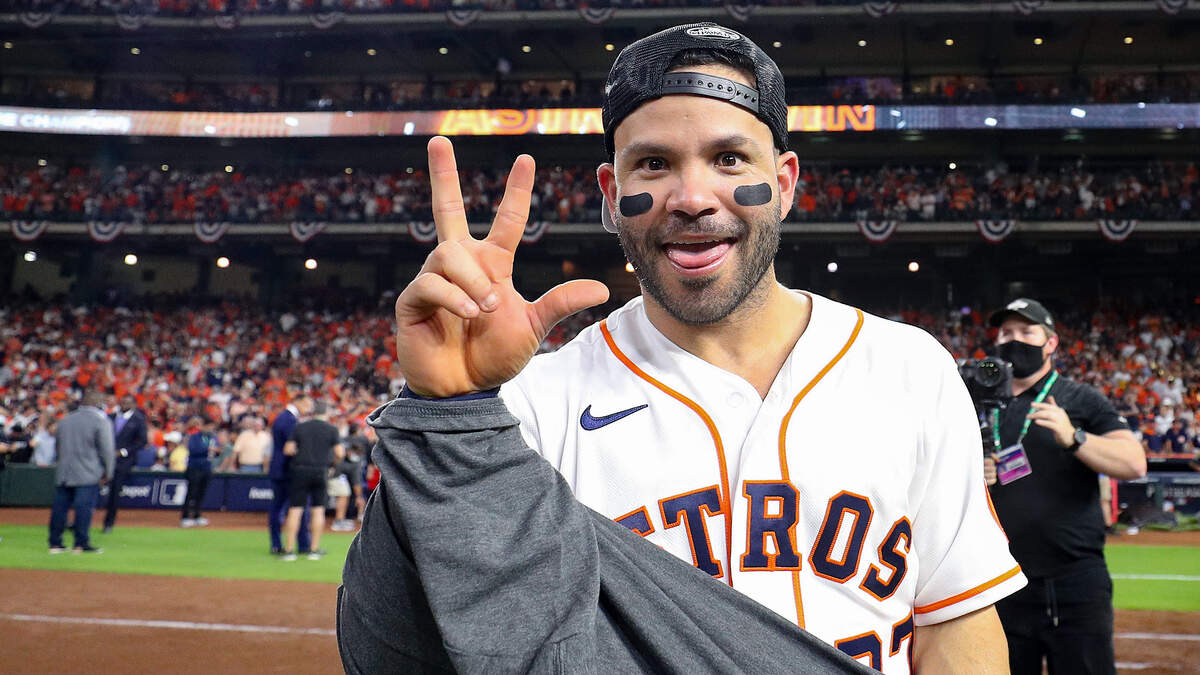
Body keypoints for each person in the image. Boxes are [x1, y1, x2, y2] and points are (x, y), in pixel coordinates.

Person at [349, 23, 1023, 674]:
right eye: (654, 163)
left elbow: (956, 620)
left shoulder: (910, 369)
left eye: (729, 158)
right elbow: (402, 641)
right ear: (613, 196)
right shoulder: (529, 407)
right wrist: (447, 408)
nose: (693, 197)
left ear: (784, 183)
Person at [983, 298, 1147, 675]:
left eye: (1027, 332)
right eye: (1007, 332)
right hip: (1001, 581)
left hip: (1074, 583)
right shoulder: (981, 402)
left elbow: (1134, 462)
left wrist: (1074, 437)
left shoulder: (1079, 398)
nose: (1015, 339)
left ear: (1051, 343)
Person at [48, 391, 114, 554]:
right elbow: (107, 450)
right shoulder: (100, 420)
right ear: (97, 403)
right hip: (88, 472)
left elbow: (58, 447)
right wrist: (108, 472)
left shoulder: (65, 420)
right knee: (84, 508)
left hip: (65, 471)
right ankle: (80, 544)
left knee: (59, 508)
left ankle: (55, 544)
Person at [281, 399, 343, 560]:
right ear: (326, 413)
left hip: (300, 470)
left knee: (295, 510)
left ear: (313, 412)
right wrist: (331, 465)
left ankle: (289, 551)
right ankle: (314, 550)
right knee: (318, 510)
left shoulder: (300, 426)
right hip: (321, 471)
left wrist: (301, 454)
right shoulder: (331, 429)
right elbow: (340, 453)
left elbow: (288, 449)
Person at [268, 394, 312, 555]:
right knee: (287, 508)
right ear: (298, 402)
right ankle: (281, 544)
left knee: (288, 507)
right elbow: (292, 446)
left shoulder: (285, 417)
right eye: (307, 404)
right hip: (286, 470)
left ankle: (293, 544)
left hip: (284, 470)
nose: (308, 408)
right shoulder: (288, 419)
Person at [103, 393, 148, 533]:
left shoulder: (139, 420)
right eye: (122, 402)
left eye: (127, 402)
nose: (124, 405)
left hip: (124, 461)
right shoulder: (110, 417)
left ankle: (109, 523)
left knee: (115, 492)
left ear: (134, 404)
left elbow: (142, 441)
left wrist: (123, 452)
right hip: (104, 459)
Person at [181, 415, 218, 527]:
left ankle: (197, 515)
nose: (211, 429)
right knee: (191, 492)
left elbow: (217, 449)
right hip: (194, 467)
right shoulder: (195, 436)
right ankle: (185, 516)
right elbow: (193, 449)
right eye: (209, 427)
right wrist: (207, 449)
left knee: (202, 492)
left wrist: (214, 450)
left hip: (206, 467)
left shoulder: (212, 437)